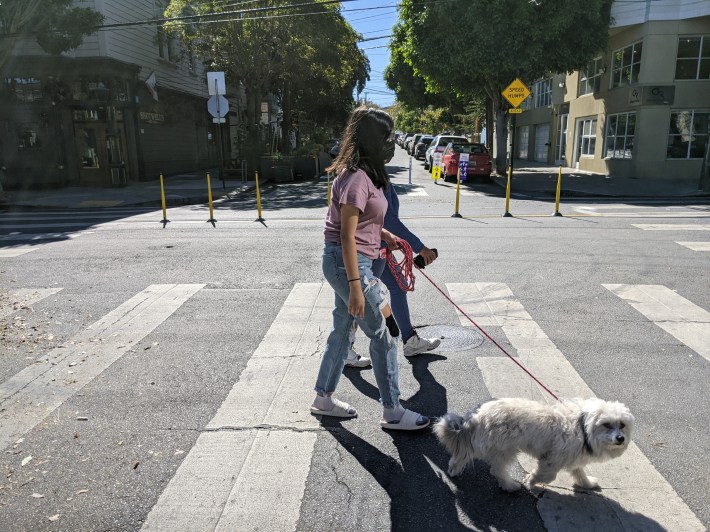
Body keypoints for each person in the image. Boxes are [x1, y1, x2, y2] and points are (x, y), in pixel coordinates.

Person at [311, 107, 430, 430]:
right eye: (386, 137)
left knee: (341, 331)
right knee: (384, 334)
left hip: (354, 260)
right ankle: (392, 410)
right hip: (349, 263)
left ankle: (323, 397)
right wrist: (354, 286)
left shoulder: (369, 175)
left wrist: (386, 235)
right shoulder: (355, 178)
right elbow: (345, 235)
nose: (391, 143)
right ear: (371, 141)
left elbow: (365, 223)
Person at [344, 139, 441, 369]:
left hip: (378, 248)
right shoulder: (373, 178)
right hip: (369, 250)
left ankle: (409, 340)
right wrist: (420, 247)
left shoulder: (370, 174)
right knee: (360, 300)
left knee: (395, 288)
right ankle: (344, 349)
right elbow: (389, 220)